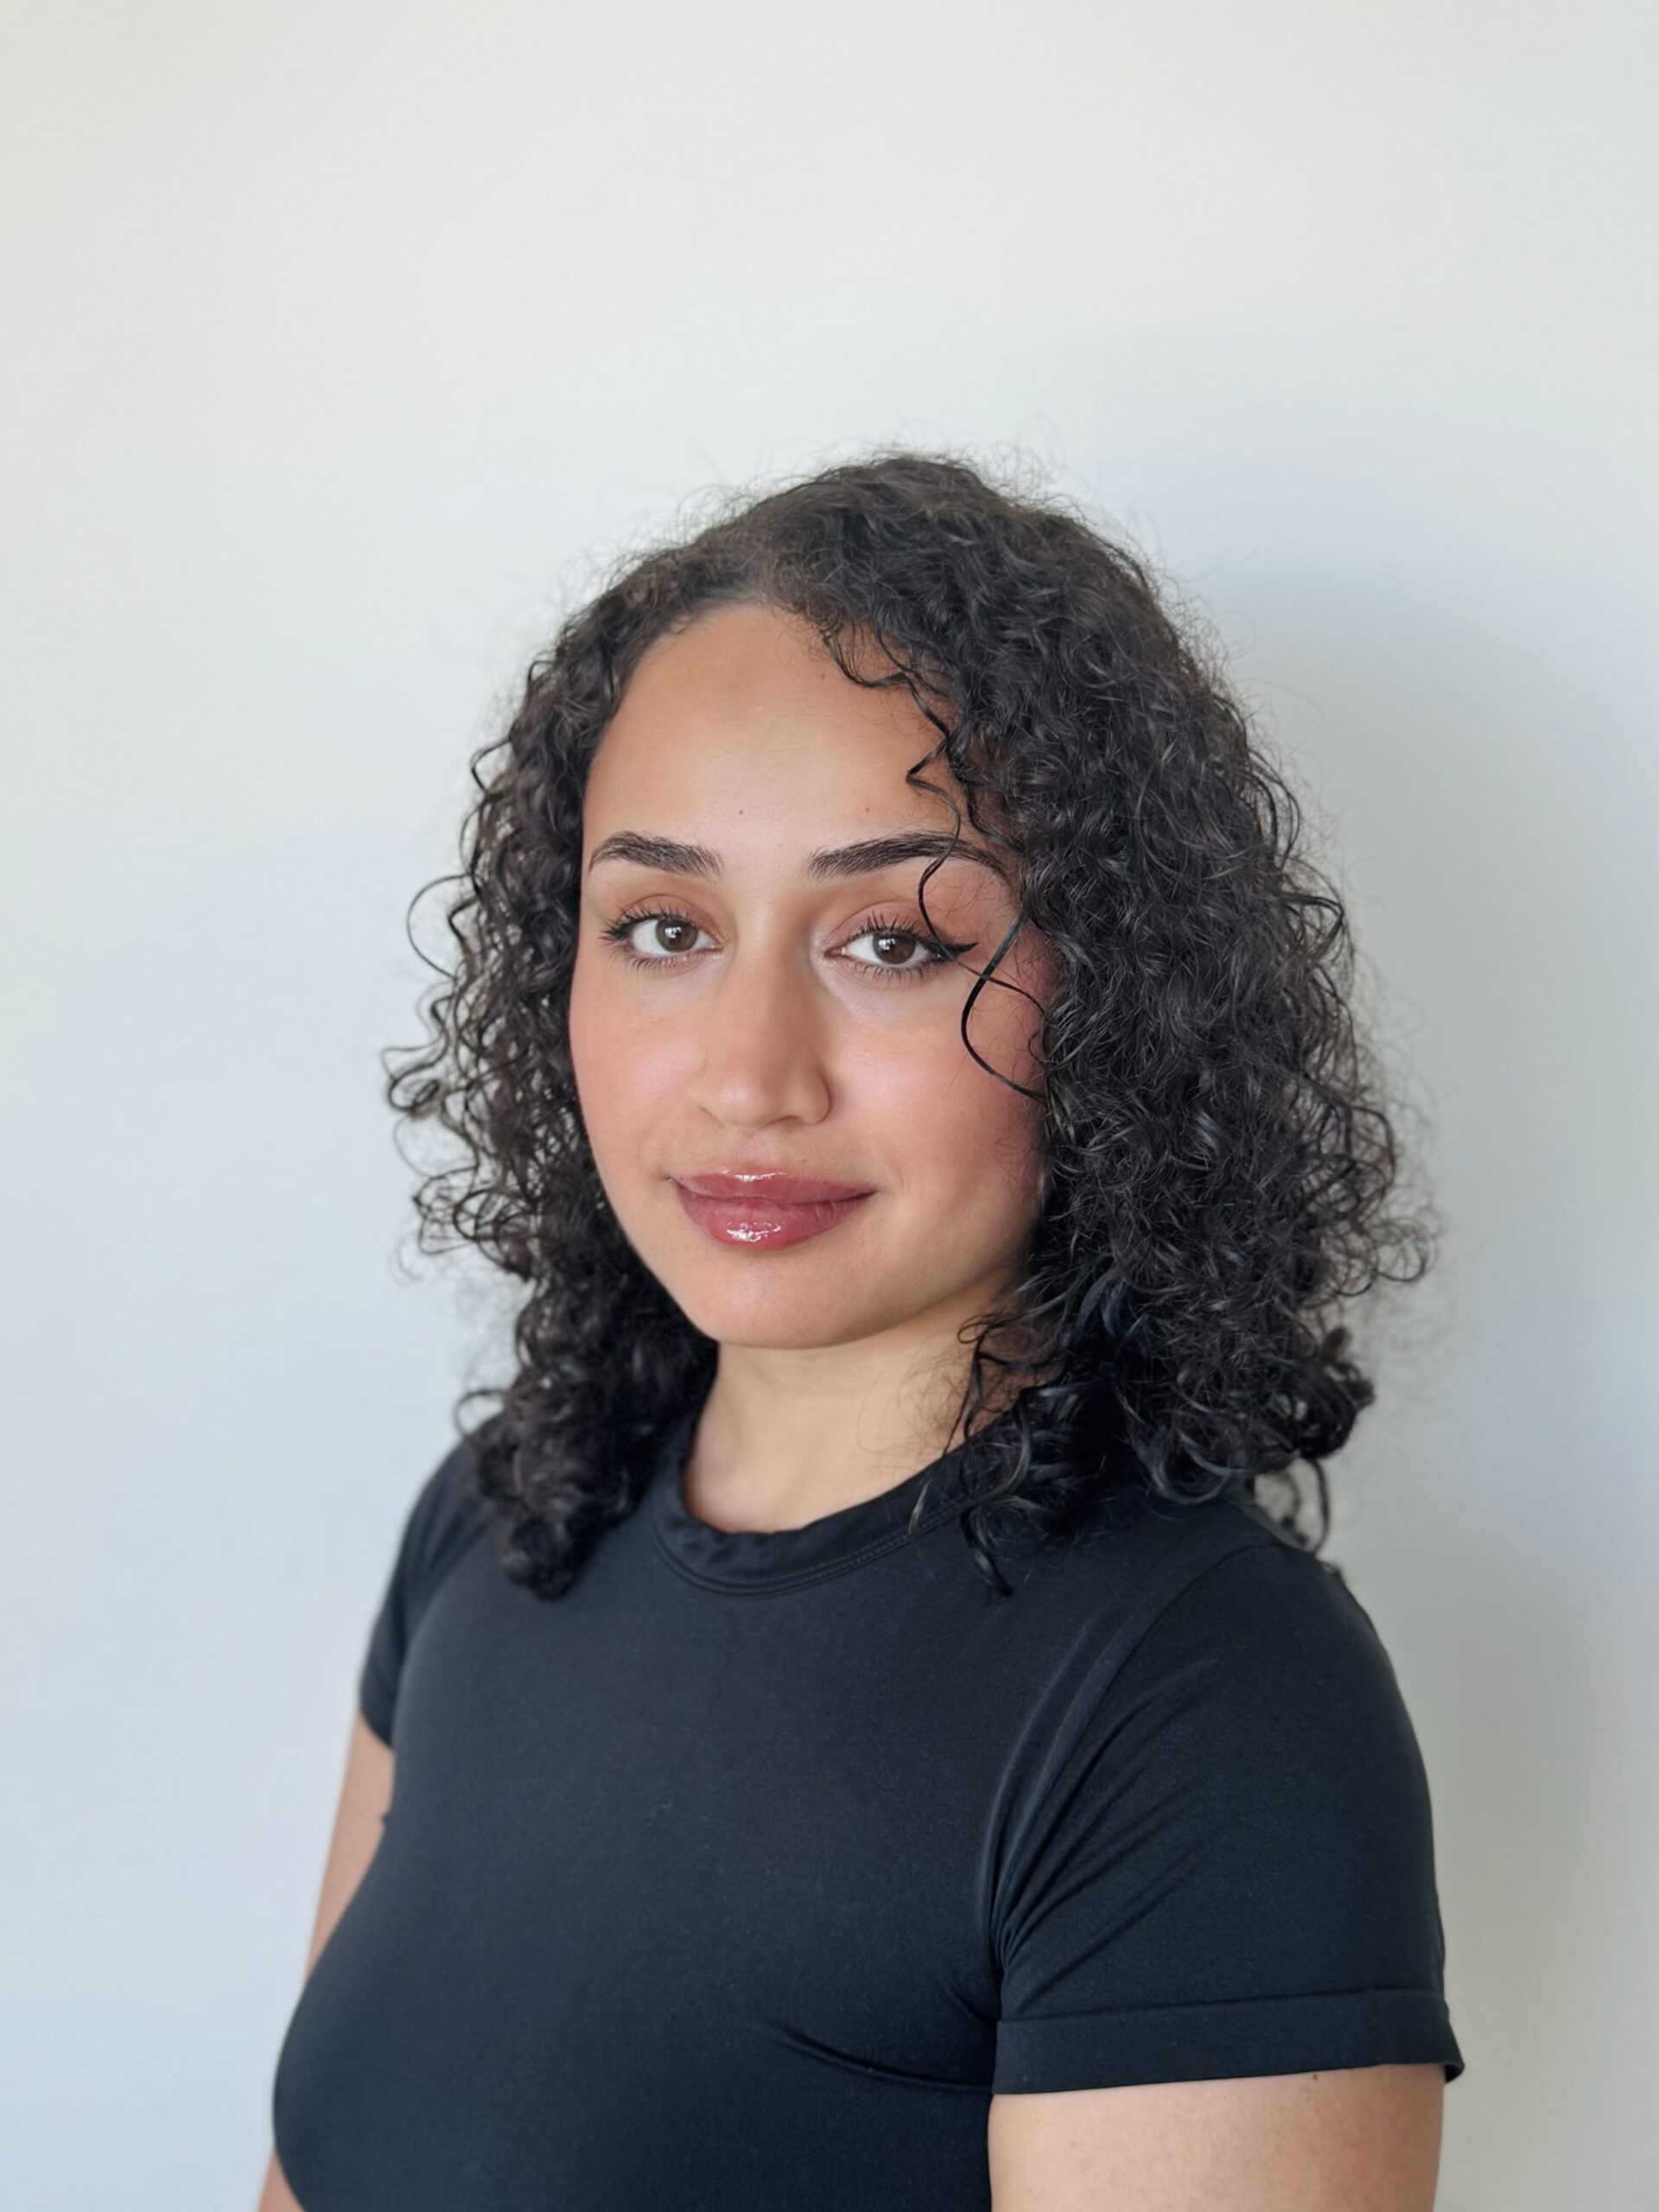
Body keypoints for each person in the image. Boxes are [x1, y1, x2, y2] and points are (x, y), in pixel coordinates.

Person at [258, 451, 1464, 2211]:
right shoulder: (505, 1514)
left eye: (894, 941)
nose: (750, 1073)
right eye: (662, 925)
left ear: (1113, 999)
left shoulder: (1208, 1707)